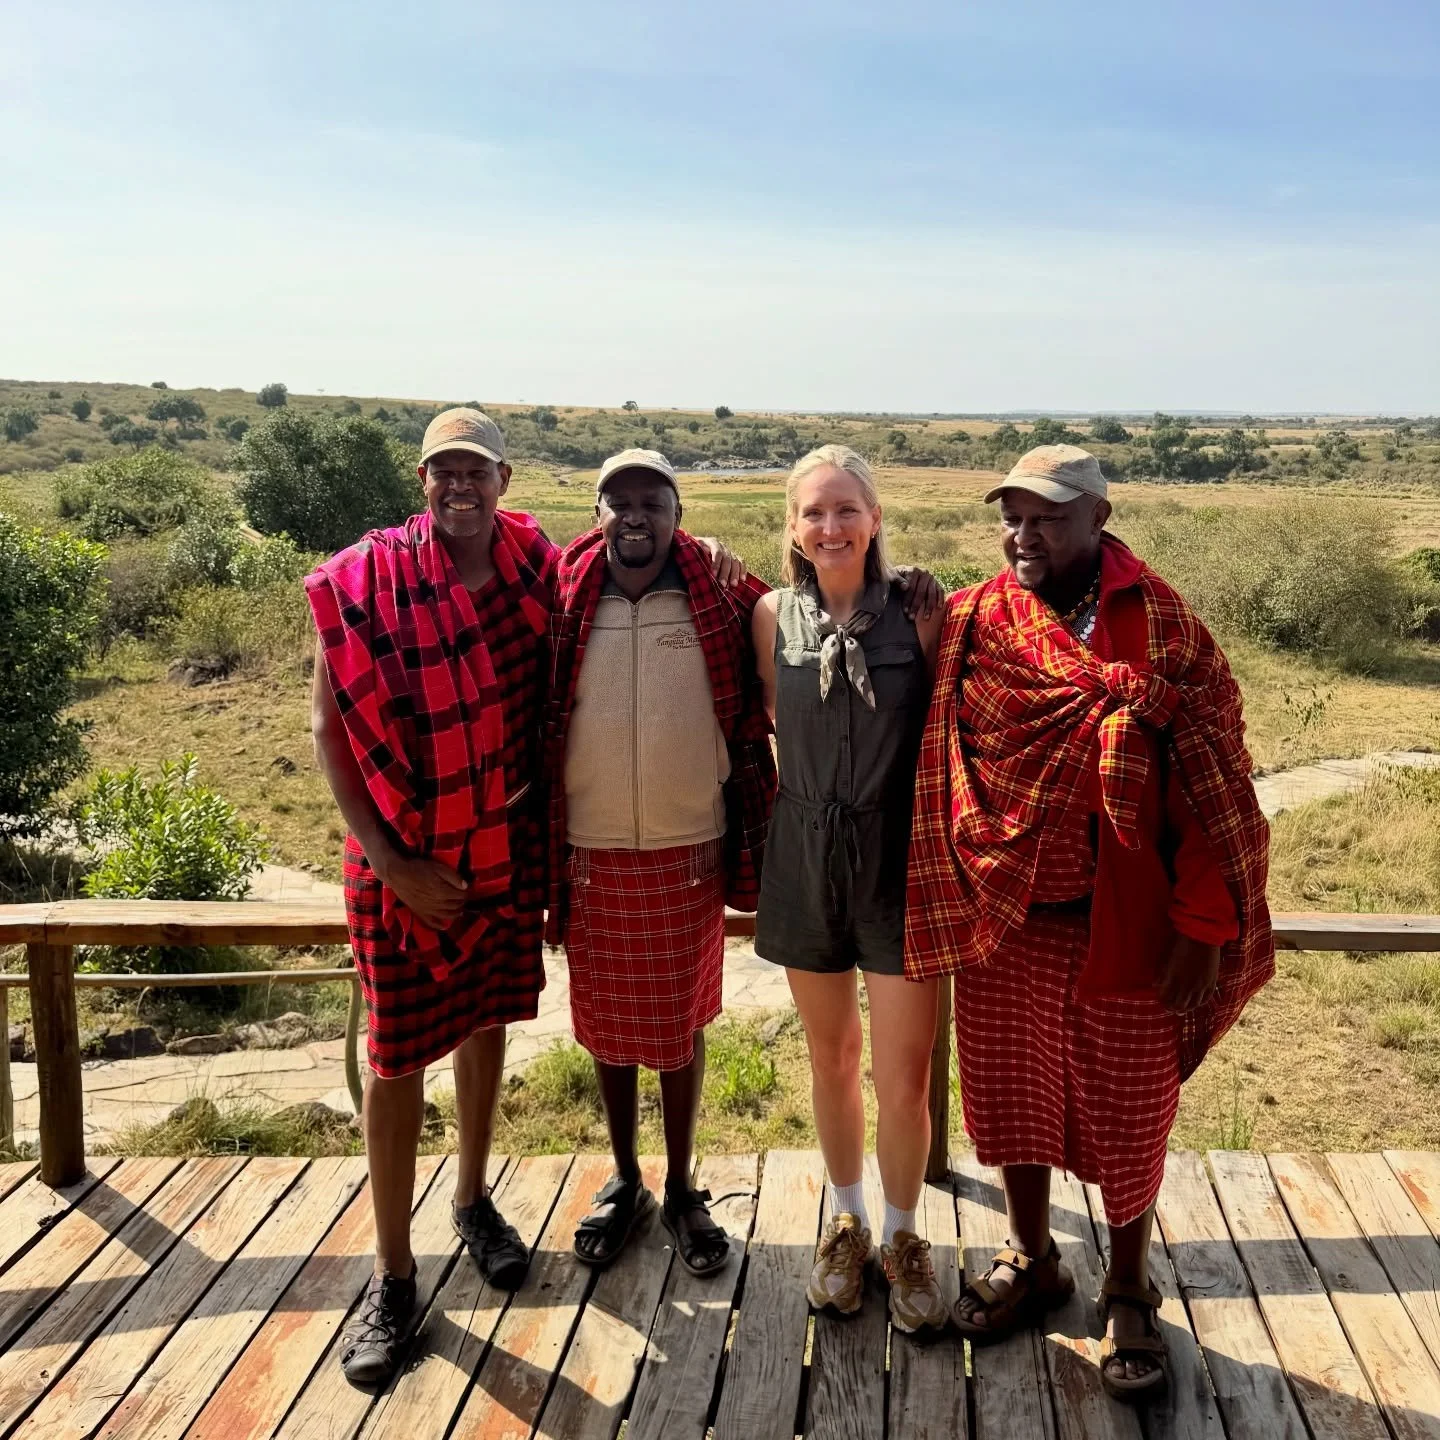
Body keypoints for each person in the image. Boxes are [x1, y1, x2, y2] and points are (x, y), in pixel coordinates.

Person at [905, 444, 1273, 1399]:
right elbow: (947, 750)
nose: (1026, 535)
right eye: (1014, 517)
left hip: (1128, 924)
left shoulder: (1158, 623)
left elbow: (1212, 776)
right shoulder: (981, 617)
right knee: (1013, 1096)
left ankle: (1127, 1286)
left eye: (1049, 517)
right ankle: (1034, 1259)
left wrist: (1202, 922)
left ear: (1099, 519)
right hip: (1007, 917)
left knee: (1130, 1109)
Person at [308, 407, 554, 1385]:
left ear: (503, 478)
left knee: (488, 1016)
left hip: (507, 839)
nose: (460, 486)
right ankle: (394, 1273)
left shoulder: (534, 569)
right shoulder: (363, 581)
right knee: (398, 1051)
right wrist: (395, 860)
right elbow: (330, 731)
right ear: (422, 481)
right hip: (397, 856)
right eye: (443, 471)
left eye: (476, 471)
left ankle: (471, 1200)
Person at [544, 447, 776, 1276]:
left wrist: (916, 587)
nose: (635, 515)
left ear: (680, 516)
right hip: (592, 845)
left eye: (654, 502)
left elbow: (805, 605)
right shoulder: (564, 593)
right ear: (597, 513)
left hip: (689, 842)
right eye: (619, 502)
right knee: (607, 1032)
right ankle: (626, 1178)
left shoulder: (716, 590)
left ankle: (681, 1187)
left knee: (679, 1027)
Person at [751, 444, 947, 1335]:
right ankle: (847, 1222)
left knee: (903, 1078)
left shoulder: (920, 615)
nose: (830, 527)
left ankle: (905, 1238)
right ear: (793, 527)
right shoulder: (768, 616)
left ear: (874, 520)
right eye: (813, 512)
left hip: (900, 855)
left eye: (846, 510)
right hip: (804, 852)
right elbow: (766, 722)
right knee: (830, 1058)